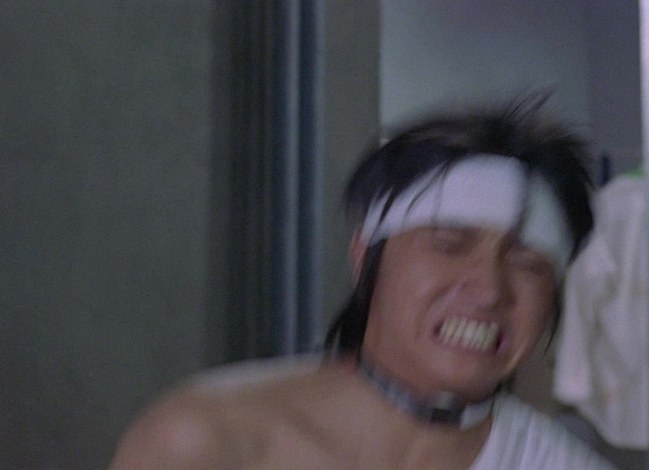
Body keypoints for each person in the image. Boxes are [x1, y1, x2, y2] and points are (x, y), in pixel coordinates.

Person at [109, 101, 615, 469]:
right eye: (448, 243)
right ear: (364, 257)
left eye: (528, 262)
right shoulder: (209, 442)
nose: (489, 290)